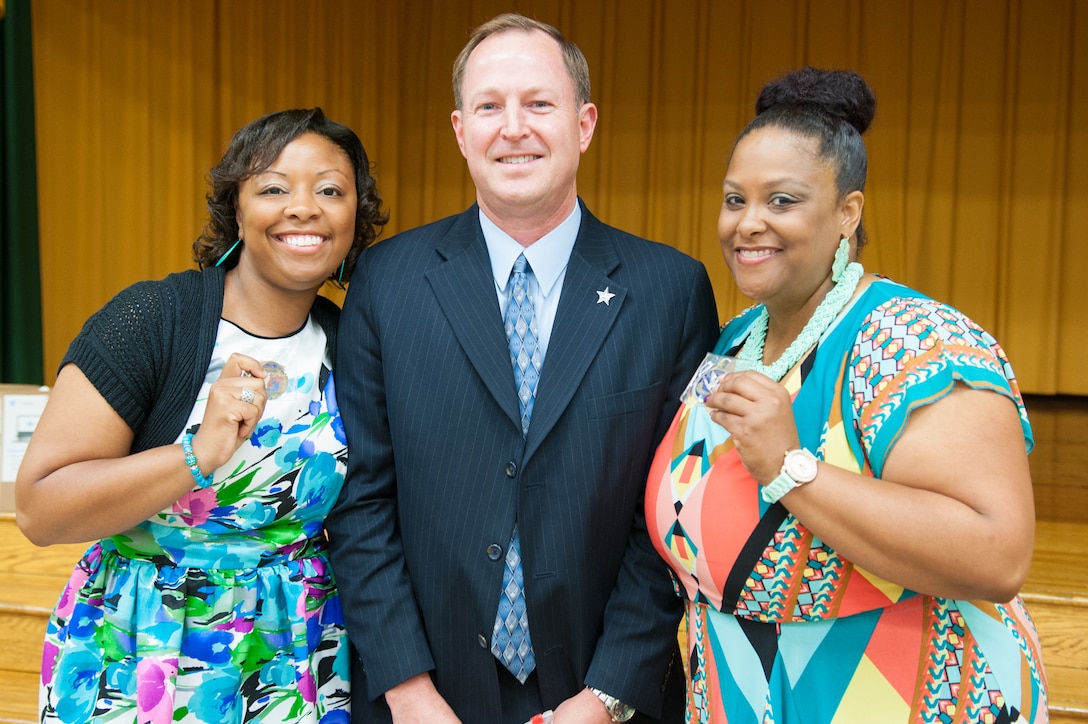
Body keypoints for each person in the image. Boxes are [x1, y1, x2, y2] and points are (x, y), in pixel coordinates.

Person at [325, 12, 719, 724]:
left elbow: (670, 514)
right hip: (423, 693)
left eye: (539, 104)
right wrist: (408, 690)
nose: (514, 128)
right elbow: (361, 500)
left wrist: (604, 697)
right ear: (459, 130)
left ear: (585, 123)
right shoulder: (387, 280)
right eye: (489, 107)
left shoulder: (671, 290)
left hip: (603, 694)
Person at [645, 67, 1048, 722]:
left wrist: (790, 467)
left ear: (847, 213)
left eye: (781, 201)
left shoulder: (915, 341)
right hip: (741, 688)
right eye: (733, 199)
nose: (747, 223)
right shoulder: (736, 338)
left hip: (897, 692)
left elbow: (996, 554)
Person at [15, 107, 388, 723]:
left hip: (293, 651)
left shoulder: (355, 346)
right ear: (237, 211)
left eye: (330, 190)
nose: (304, 207)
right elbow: (39, 508)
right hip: (140, 649)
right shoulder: (153, 321)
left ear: (355, 219)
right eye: (273, 188)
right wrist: (195, 456)